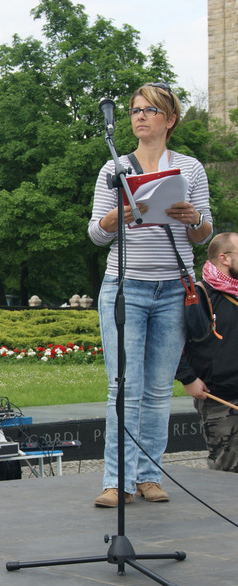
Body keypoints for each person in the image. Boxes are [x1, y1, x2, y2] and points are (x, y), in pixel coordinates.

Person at [88, 82, 212, 508]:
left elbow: (202, 234)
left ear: (170, 119)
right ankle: (115, 480)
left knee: (159, 390)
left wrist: (192, 216)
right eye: (135, 110)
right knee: (123, 386)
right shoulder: (114, 168)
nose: (139, 116)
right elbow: (94, 234)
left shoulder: (190, 169)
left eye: (149, 110)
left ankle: (148, 476)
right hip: (125, 287)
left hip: (173, 288)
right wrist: (114, 217)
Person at [176, 232, 238, 472]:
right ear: (224, 258)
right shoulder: (198, 294)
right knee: (228, 472)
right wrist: (188, 378)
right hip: (221, 399)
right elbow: (173, 343)